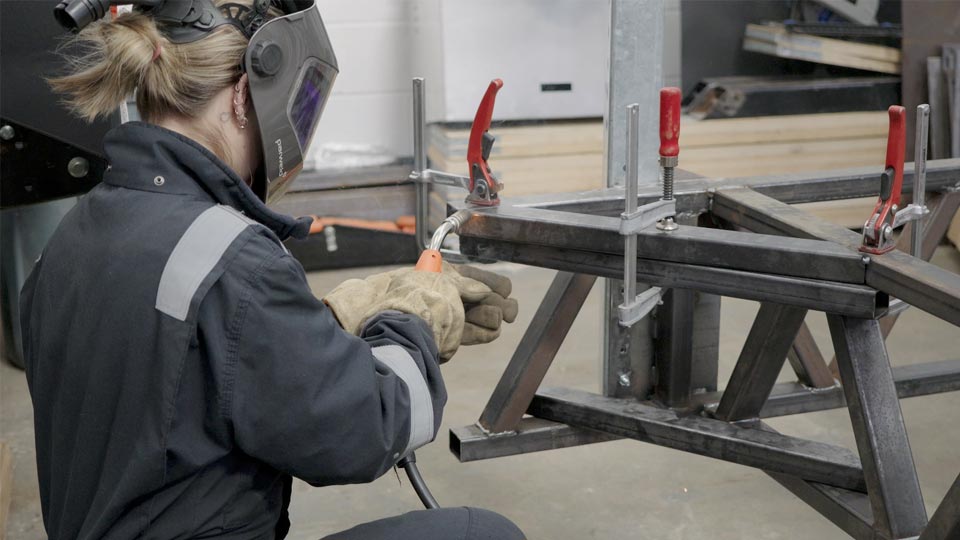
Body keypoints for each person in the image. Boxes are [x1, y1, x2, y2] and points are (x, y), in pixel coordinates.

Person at [20, 1, 525, 538]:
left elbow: (177, 373)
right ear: (243, 96)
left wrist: (332, 319)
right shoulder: (234, 259)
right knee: (482, 533)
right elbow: (368, 428)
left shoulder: (73, 235)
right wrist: (411, 320)